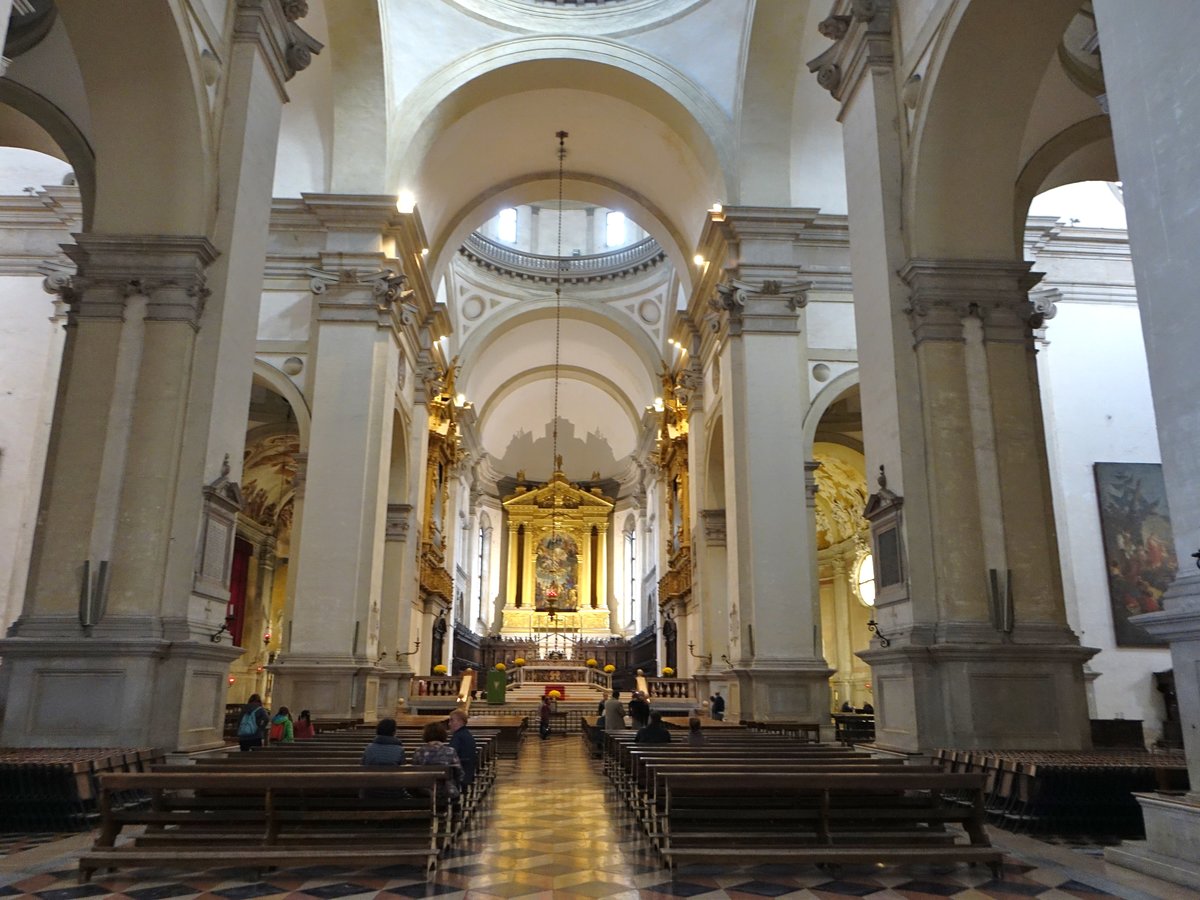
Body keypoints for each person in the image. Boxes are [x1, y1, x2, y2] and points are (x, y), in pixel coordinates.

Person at [412, 721, 463, 802]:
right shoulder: (450, 751)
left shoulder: (419, 752)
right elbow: (459, 772)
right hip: (447, 790)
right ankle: (455, 811)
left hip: (425, 790)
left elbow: (414, 772)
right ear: (442, 734)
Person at [447, 709, 477, 788]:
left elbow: (451, 754)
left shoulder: (459, 736)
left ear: (460, 721)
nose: (449, 724)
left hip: (460, 773)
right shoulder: (465, 734)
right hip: (467, 771)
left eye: (452, 720)